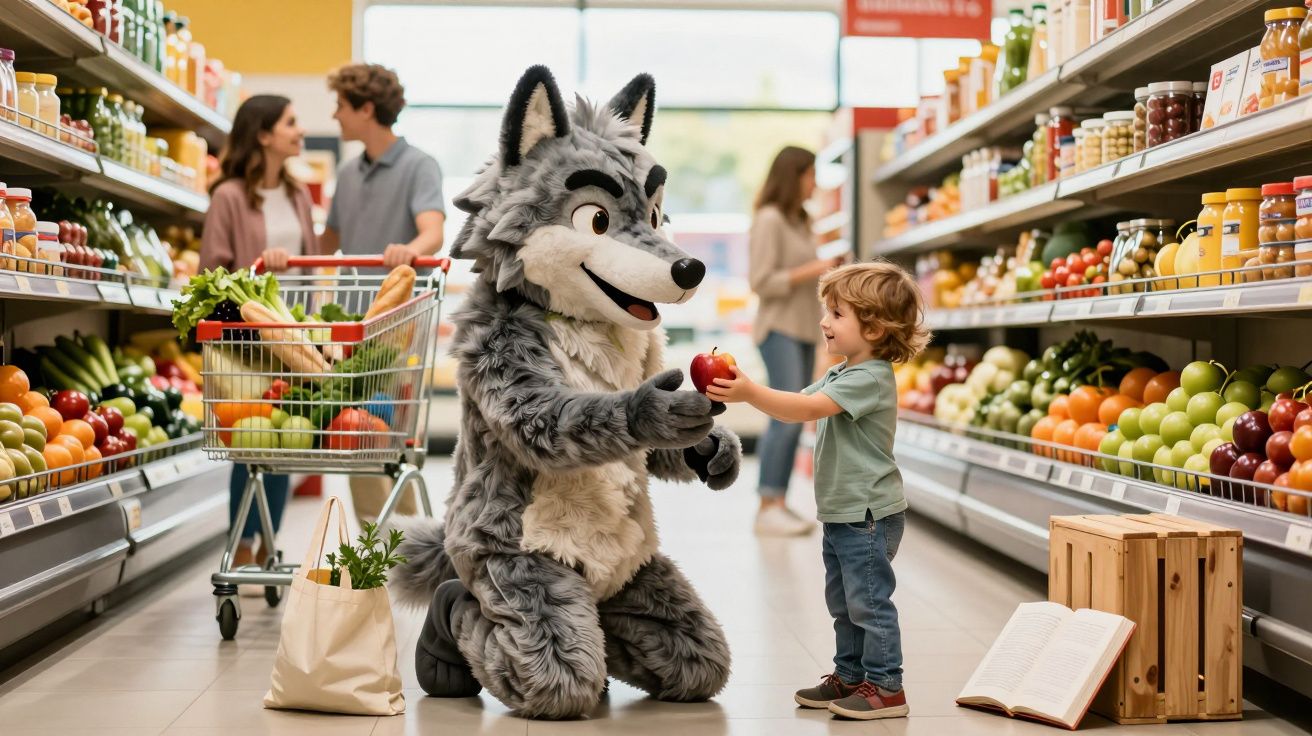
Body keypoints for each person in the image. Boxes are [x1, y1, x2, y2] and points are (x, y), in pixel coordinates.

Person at [707, 261, 930, 721]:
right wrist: (745, 390)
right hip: (843, 513)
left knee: (868, 603)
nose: (824, 322)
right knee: (844, 603)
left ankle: (887, 686)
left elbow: (805, 409)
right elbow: (795, 405)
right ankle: (850, 675)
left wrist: (750, 392)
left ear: (874, 327)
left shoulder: (870, 378)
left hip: (868, 515)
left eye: (837, 314)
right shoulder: (842, 373)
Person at [321, 63, 446, 522]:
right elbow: (327, 242)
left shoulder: (419, 166)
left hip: (399, 327)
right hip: (351, 327)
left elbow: (433, 231)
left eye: (341, 105)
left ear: (366, 109)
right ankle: (386, 543)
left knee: (389, 438)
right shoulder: (348, 173)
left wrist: (409, 251)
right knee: (360, 435)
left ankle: (398, 541)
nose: (335, 115)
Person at [200, 95, 318, 569]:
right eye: (291, 123)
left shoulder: (299, 196)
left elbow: (310, 270)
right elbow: (210, 273)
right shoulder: (228, 196)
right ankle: (242, 540)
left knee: (287, 439)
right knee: (250, 442)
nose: (299, 131)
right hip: (246, 343)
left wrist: (311, 329)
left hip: (293, 338)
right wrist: (257, 268)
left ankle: (270, 539)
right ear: (264, 135)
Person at [748, 145, 844, 536]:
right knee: (786, 417)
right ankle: (766, 506)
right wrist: (814, 268)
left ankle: (779, 502)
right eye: (810, 175)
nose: (815, 183)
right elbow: (760, 281)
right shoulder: (769, 219)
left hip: (803, 332)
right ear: (794, 176)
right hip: (779, 330)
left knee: (798, 416)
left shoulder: (800, 221)